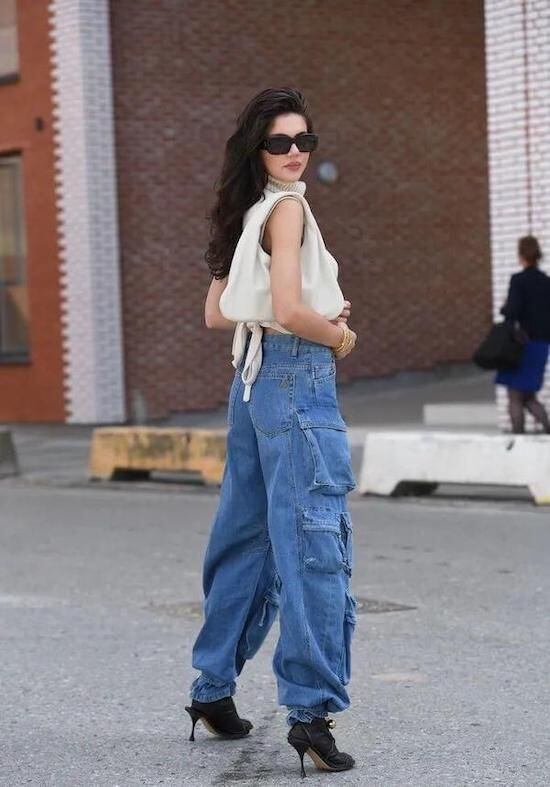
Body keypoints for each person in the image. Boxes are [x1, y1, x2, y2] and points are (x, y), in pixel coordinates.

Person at [185, 87, 358, 777]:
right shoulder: (286, 209)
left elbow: (217, 312)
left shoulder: (249, 210)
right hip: (295, 378)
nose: (294, 153)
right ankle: (311, 714)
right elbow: (289, 308)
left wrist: (296, 312)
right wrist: (337, 334)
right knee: (313, 541)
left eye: (303, 141)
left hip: (251, 383)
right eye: (280, 142)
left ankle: (211, 688)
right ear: (257, 149)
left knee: (246, 538)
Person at [496, 235, 550, 434]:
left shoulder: (518, 280)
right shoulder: (547, 282)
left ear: (521, 256)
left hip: (521, 345)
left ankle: (518, 439)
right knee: (528, 396)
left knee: (515, 396)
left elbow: (512, 311)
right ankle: (548, 430)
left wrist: (504, 307)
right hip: (541, 345)